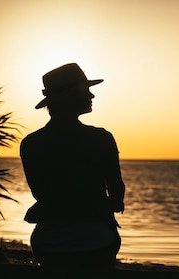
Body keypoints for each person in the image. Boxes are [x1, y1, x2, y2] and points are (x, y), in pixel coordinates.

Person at [20, 63, 126, 273]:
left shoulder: (30, 143)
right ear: (72, 96)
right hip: (96, 244)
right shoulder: (102, 139)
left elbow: (38, 192)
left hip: (47, 244)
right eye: (86, 90)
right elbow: (117, 197)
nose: (92, 96)